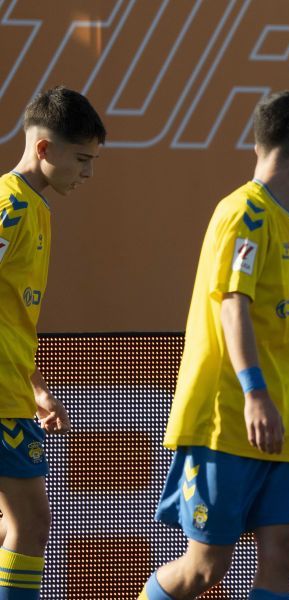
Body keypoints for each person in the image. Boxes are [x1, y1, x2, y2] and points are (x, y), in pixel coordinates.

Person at [139, 91, 289, 600]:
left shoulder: (288, 223)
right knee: (206, 566)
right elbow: (232, 304)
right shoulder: (244, 212)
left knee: (283, 552)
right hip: (228, 419)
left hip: (283, 425)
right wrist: (254, 392)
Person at [0, 86, 104, 600]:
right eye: (82, 159)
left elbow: (11, 319)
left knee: (17, 527)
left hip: (14, 395)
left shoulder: (38, 211)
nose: (88, 173)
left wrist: (36, 387)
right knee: (32, 523)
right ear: (44, 149)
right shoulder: (10, 206)